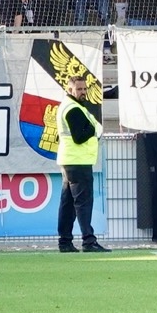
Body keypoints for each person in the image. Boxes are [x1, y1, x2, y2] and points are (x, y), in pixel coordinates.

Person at [52, 67, 107, 253]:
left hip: (70, 160)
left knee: (67, 204)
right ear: (70, 90)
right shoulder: (73, 108)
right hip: (78, 161)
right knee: (83, 202)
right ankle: (88, 241)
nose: (83, 92)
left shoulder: (69, 106)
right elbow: (79, 137)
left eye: (84, 89)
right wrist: (93, 130)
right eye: (79, 89)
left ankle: (65, 241)